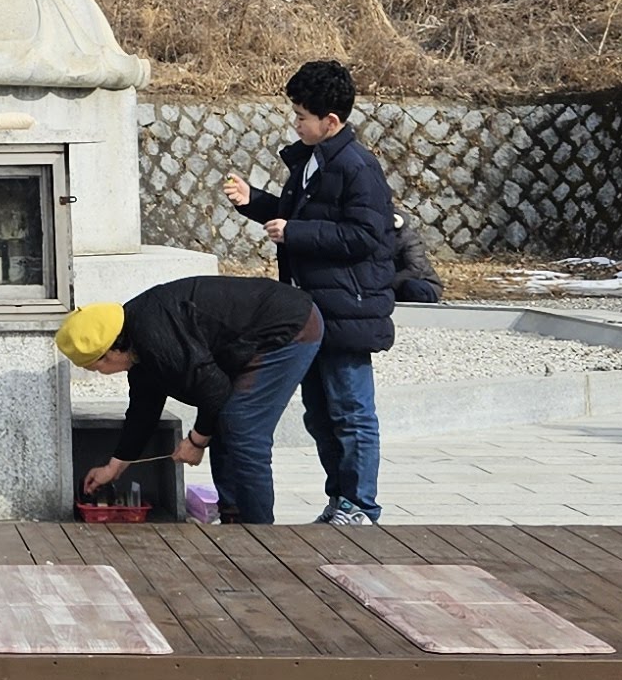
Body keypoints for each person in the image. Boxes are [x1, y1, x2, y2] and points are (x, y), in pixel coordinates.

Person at [226, 57, 395, 526]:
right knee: (320, 416)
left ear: (331, 121)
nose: (295, 122)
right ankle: (340, 500)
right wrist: (254, 202)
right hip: (312, 309)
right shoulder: (314, 160)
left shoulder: (358, 167)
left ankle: (361, 505)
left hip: (348, 310)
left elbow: (367, 235)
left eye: (302, 116)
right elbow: (294, 214)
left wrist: (296, 233)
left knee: (352, 412)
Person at [61, 273, 322, 528]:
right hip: (251, 337)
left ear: (109, 354)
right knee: (226, 421)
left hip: (289, 327)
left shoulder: (156, 338)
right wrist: (114, 466)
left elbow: (215, 390)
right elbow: (144, 409)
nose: (102, 374)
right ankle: (233, 518)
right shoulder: (136, 343)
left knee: (242, 425)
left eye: (96, 368)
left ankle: (259, 530)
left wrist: (196, 441)